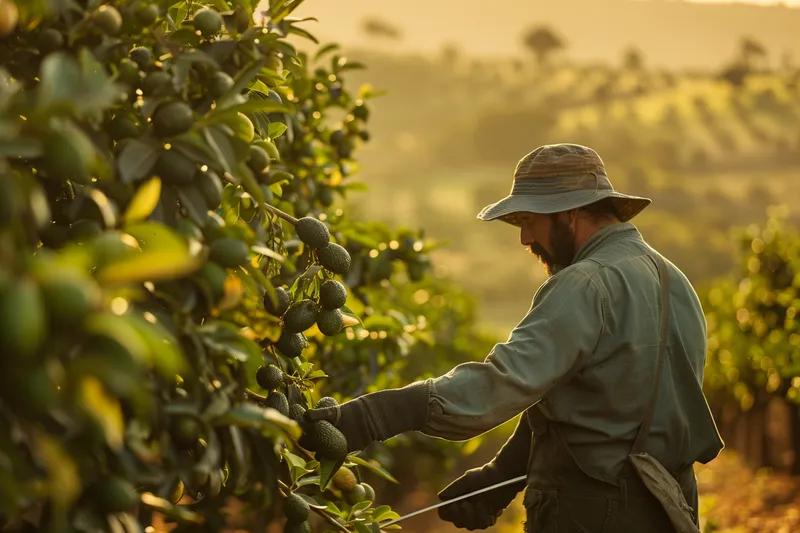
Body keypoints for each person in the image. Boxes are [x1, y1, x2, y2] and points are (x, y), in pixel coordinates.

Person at [305, 143, 724, 531]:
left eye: (528, 221)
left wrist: (368, 418)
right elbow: (597, 406)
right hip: (669, 511)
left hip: (590, 515)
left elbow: (498, 385)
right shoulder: (675, 282)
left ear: (570, 213)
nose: (525, 238)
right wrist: (502, 475)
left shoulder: (585, 284)